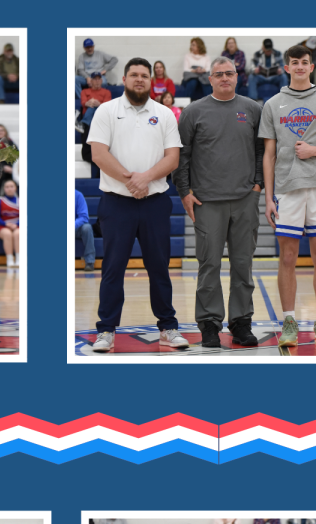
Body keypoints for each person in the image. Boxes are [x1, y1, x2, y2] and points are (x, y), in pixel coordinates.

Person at [87, 58, 186, 353]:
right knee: (113, 268)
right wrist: (132, 180)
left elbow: (173, 158)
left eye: (144, 75)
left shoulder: (165, 113)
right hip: (116, 203)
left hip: (155, 203)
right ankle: (106, 330)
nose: (139, 79)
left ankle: (168, 327)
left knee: (159, 267)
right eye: (134, 75)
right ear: (125, 79)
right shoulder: (106, 110)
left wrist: (145, 180)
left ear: (151, 80)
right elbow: (98, 154)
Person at [260, 44, 316, 348]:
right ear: (286, 67)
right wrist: (269, 198)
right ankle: (288, 321)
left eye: (304, 62)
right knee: (287, 258)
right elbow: (268, 154)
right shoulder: (273, 104)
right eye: (294, 62)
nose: (299, 67)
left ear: (312, 67)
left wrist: (314, 151)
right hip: (286, 190)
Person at [174, 56, 263, 348]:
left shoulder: (252, 109)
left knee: (243, 265)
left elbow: (263, 151)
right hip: (207, 202)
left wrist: (258, 185)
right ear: (209, 79)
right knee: (208, 266)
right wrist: (184, 191)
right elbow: (181, 155)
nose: (225, 78)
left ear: (237, 77)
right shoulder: (193, 111)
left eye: (229, 73)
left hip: (244, 199)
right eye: (218, 74)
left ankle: (241, 323)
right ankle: (210, 324)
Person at [76, 188, 96, 272]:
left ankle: (90, 262)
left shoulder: (78, 195)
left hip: (75, 228)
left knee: (87, 228)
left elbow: (84, 217)